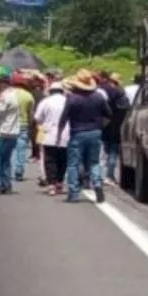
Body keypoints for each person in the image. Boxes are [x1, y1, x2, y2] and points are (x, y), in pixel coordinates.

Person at [59, 69, 111, 203]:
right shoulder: (98, 97)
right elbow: (109, 115)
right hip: (95, 132)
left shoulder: (72, 99)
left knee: (73, 164)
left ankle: (73, 193)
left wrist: (59, 133)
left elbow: (64, 118)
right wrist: (101, 126)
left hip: (77, 132)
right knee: (94, 162)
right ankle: (97, 185)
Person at [34, 81, 69, 195]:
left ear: (50, 91)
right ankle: (60, 182)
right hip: (65, 134)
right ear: (62, 91)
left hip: (49, 134)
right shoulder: (67, 101)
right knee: (63, 160)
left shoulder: (46, 101)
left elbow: (38, 117)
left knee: (50, 160)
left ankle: (51, 184)